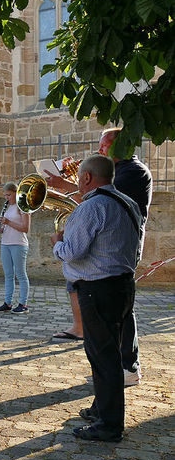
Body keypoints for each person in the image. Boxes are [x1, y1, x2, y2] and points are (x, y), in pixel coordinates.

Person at [46, 128, 152, 387]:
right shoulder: (125, 170)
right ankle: (118, 368)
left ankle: (126, 365)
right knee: (118, 310)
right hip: (111, 246)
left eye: (104, 147)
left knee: (120, 311)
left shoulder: (132, 172)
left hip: (117, 249)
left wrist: (68, 184)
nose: (100, 150)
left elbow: (102, 195)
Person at [51, 154, 142, 442]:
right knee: (110, 352)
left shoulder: (91, 207)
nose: (77, 183)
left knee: (102, 356)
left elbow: (72, 252)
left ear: (88, 177)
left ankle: (110, 425)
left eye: (79, 178)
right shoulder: (128, 203)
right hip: (124, 285)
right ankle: (101, 408)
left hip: (98, 289)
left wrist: (57, 244)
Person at [0, 182, 31, 313]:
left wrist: (8, 222)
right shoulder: (7, 207)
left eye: (8, 195)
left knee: (21, 274)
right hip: (6, 243)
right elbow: (6, 227)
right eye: (5, 195)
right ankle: (7, 303)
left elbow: (25, 228)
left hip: (18, 244)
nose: (6, 198)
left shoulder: (23, 206)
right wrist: (0, 228)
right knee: (8, 275)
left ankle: (23, 304)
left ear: (16, 193)